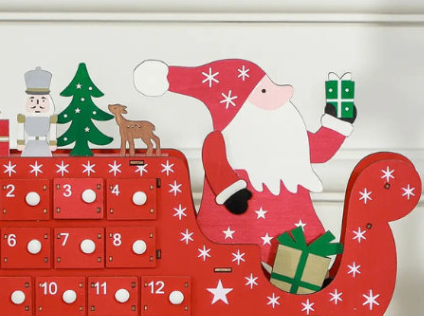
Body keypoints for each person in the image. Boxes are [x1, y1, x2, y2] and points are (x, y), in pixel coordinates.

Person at [133, 58, 354, 265]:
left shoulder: (291, 139)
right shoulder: (223, 140)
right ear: (239, 107)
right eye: (265, 91)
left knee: (303, 262)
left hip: (292, 229)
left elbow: (320, 151)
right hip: (235, 226)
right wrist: (231, 193)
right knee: (233, 261)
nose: (284, 93)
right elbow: (216, 167)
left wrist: (338, 121)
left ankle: (303, 282)